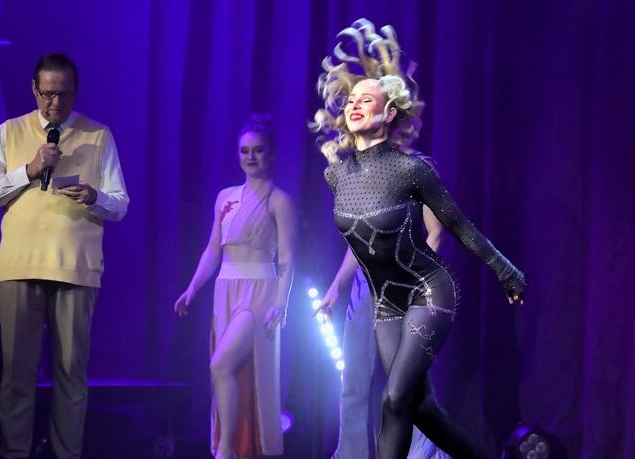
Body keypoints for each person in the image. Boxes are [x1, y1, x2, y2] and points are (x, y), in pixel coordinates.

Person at [311, 19, 525, 459]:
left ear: (389, 114)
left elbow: (456, 227)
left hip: (424, 290)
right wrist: (335, 288)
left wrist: (505, 270)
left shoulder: (413, 170)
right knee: (419, 408)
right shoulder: (338, 176)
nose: (355, 105)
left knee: (394, 400)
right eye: (352, 100)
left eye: (367, 99)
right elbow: (361, 243)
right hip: (379, 297)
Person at [0, 53, 129, 459]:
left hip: (76, 269)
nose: (55, 102)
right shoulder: (10, 132)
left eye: (64, 94)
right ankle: (14, 453)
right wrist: (28, 169)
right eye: (47, 94)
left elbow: (120, 204)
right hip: (20, 266)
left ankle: (66, 454)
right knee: (17, 374)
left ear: (75, 91)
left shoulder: (99, 135)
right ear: (34, 89)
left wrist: (95, 196)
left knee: (70, 373)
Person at [175, 115, 296, 459]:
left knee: (221, 365)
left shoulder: (279, 201)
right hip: (225, 290)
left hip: (259, 293)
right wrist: (192, 288)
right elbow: (213, 250)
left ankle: (226, 449)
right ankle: (234, 446)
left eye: (258, 150)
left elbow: (287, 257)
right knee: (230, 372)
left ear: (272, 154)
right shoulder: (224, 197)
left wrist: (282, 302)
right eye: (244, 151)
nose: (250, 157)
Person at [322, 166, 448, 459]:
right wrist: (336, 287)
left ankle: (421, 454)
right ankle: (351, 453)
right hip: (364, 285)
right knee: (353, 380)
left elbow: (436, 233)